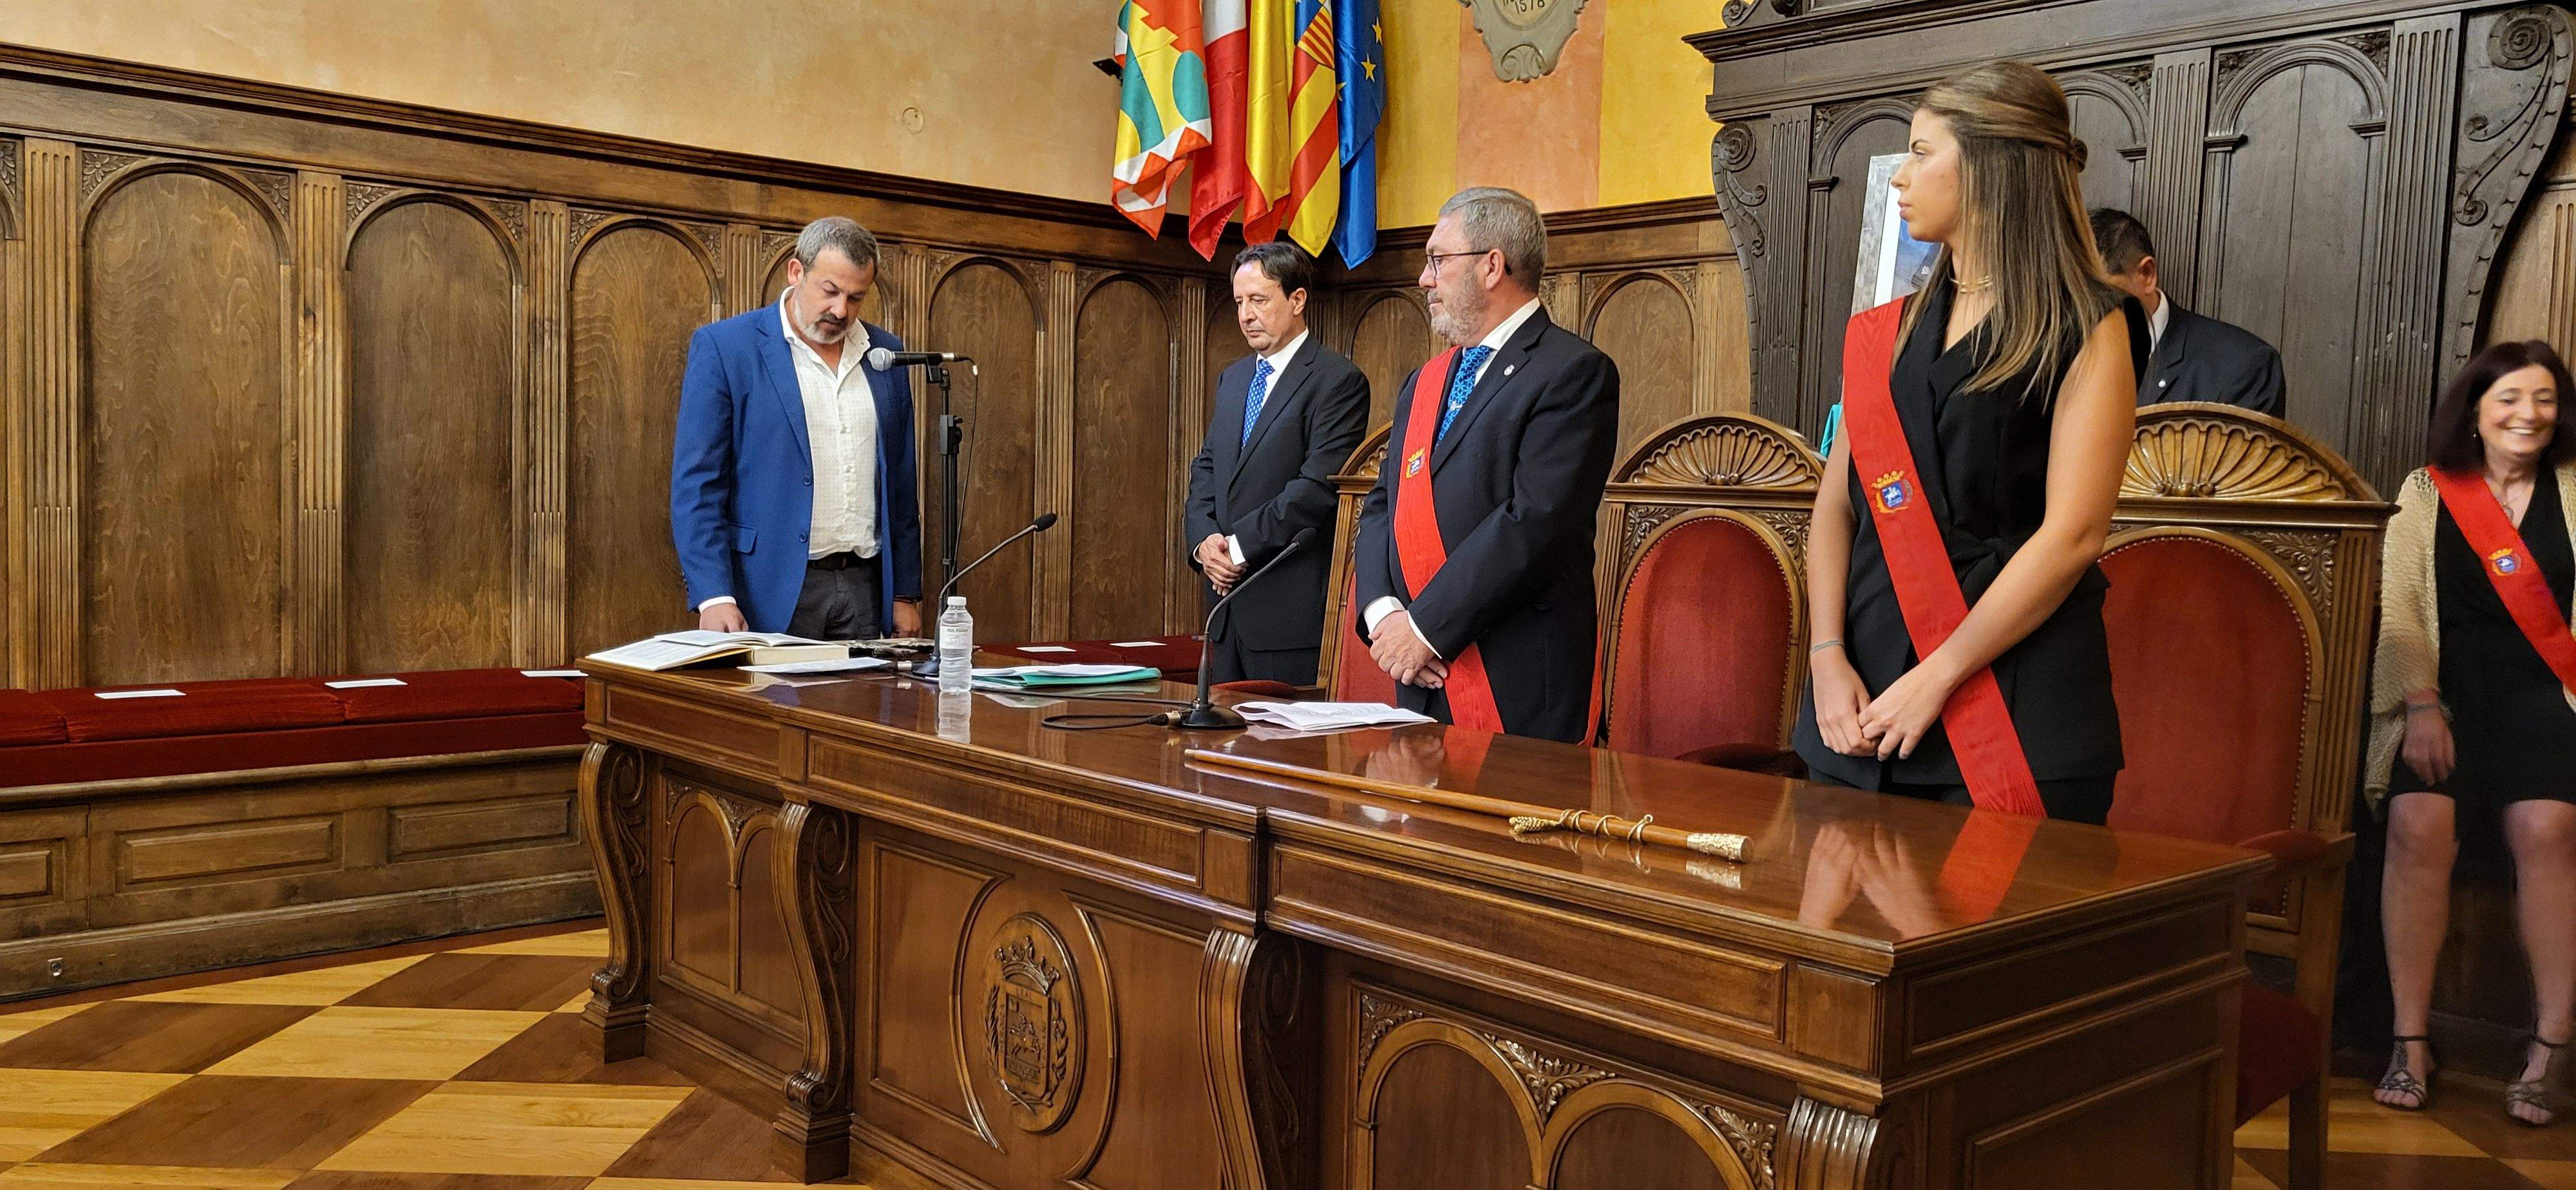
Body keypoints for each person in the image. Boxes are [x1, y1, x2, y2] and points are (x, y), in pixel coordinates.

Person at [1790, 62, 2147, 824]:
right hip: (1857, 705)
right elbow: (1835, 511)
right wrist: (1825, 656)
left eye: (1922, 153)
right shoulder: (1886, 332)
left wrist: (1938, 675)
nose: (1900, 178)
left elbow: (2074, 534)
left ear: (1990, 164)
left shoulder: (2088, 324)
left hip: (2013, 707)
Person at [2367, 340, 2576, 1125]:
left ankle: (2549, 1045)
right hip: (2443, 697)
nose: (2529, 414)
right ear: (2476, 411)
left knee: (2548, 827)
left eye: (2545, 400)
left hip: (2552, 697)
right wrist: (2419, 704)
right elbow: (2401, 611)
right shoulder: (2427, 491)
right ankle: (2409, 1040)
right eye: (2510, 399)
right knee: (2416, 824)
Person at [1351, 186, 1620, 743]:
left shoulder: (1573, 372)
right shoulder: (1423, 382)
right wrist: (1384, 618)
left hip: (1514, 676)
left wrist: (1425, 630)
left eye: (1438, 260)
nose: (1425, 278)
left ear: (1493, 266)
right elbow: (1382, 505)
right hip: (1418, 670)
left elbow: (1535, 522)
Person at [671, 216, 924, 639]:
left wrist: (905, 591)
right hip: (767, 588)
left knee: (863, 706)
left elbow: (900, 480)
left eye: (855, 298)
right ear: (796, 272)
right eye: (830, 291)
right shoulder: (726, 347)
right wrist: (714, 594)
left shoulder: (885, 353)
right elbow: (698, 485)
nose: (841, 311)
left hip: (866, 586)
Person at [1184, 241, 1370, 685]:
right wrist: (1204, 541)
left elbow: (1316, 489)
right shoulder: (1234, 379)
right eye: (1239, 302)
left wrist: (1238, 548)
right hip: (1223, 613)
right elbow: (1207, 470)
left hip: (1287, 616)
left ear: (1297, 300)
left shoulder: (1337, 380)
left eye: (1259, 300)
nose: (1246, 314)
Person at [2088, 207, 2286, 417]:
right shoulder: (2058, 361)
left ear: (2147, 274)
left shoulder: (2244, 366)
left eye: (2099, 295)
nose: (2082, 311)